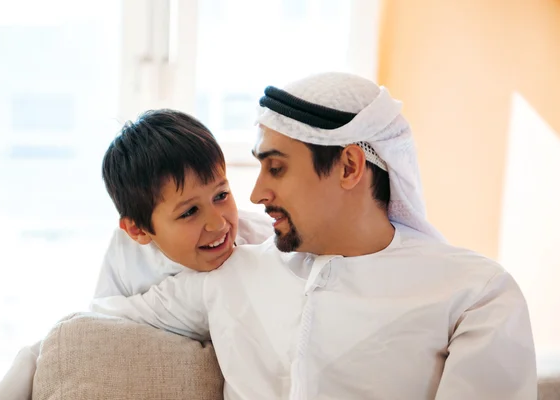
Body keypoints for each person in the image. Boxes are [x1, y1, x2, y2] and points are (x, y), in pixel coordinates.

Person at [91, 72, 537, 399]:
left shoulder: (475, 293)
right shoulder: (229, 273)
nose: (257, 192)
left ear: (348, 167)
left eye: (277, 168)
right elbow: (101, 318)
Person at [0, 109, 273, 400]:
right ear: (137, 230)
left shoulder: (260, 240)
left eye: (221, 195)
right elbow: (101, 318)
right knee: (36, 352)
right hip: (153, 340)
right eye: (189, 212)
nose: (218, 223)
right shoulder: (126, 253)